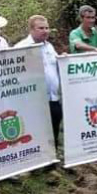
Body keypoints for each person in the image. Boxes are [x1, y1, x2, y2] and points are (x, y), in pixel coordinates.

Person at [15, 15, 62, 147]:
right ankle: (37, 164)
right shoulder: (21, 48)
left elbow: (55, 68)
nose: (45, 31)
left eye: (47, 28)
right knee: (36, 133)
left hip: (53, 98)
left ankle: (52, 162)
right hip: (33, 100)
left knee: (54, 130)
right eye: (41, 28)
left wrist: (63, 60)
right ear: (31, 29)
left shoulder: (49, 47)